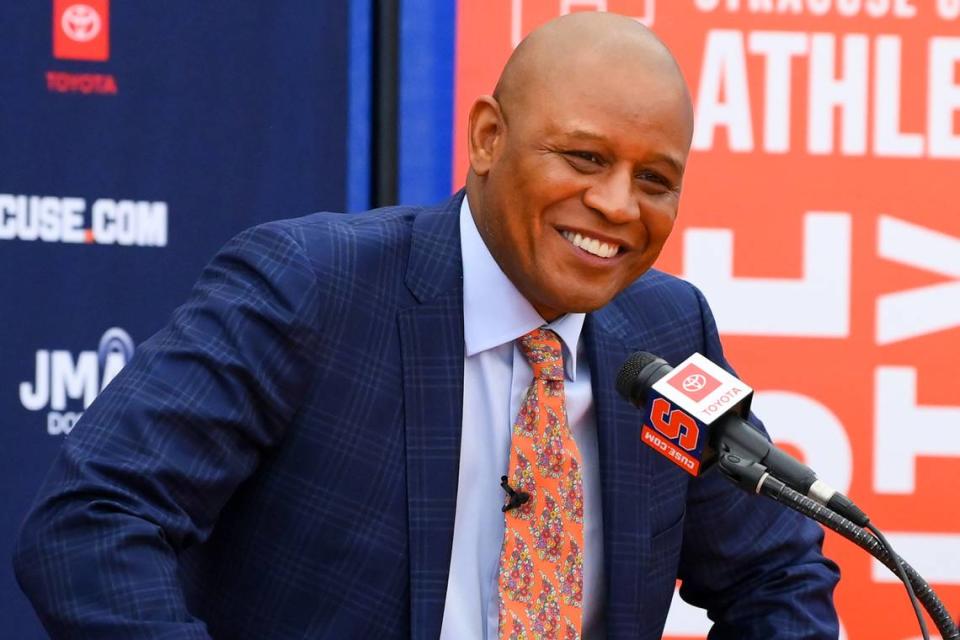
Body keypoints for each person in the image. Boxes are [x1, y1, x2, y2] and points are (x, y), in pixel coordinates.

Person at [14, 12, 839, 640]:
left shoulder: (669, 328)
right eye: (585, 159)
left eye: (655, 179)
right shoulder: (313, 288)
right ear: (487, 138)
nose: (619, 205)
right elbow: (91, 522)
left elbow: (777, 574)